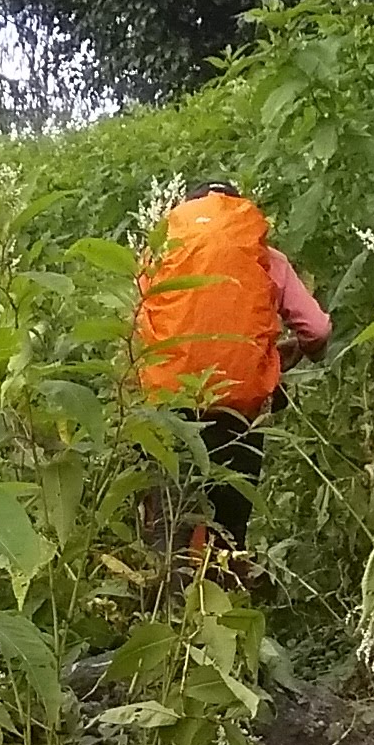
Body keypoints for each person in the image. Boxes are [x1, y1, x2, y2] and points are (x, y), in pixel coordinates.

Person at [132, 183, 330, 549]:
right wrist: (291, 352)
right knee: (228, 533)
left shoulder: (157, 259)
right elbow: (316, 329)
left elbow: (138, 332)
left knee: (168, 534)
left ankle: (167, 598)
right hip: (238, 413)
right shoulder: (267, 259)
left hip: (169, 410)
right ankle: (228, 593)